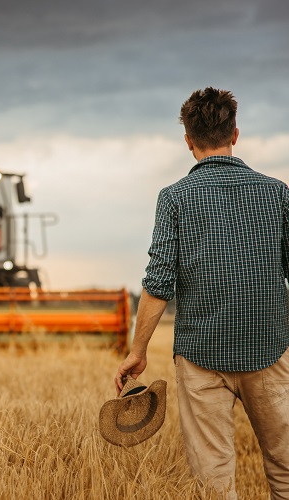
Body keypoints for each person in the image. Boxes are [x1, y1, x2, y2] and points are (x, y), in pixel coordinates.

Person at [115, 87, 289, 499]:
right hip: (269, 349)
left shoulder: (174, 198)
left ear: (188, 140)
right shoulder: (278, 193)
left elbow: (157, 284)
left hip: (200, 359)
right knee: (285, 469)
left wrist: (137, 352)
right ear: (236, 134)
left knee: (213, 483)